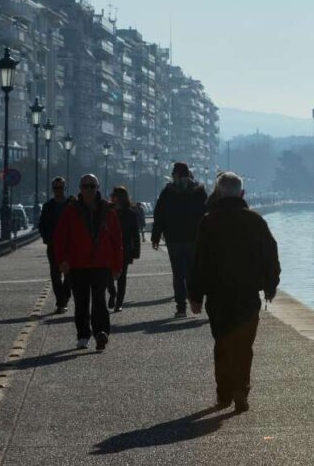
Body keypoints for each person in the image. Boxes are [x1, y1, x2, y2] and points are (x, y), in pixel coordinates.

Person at [187, 172, 280, 413]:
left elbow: (199, 261)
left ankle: (224, 392)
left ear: (218, 193)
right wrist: (271, 285)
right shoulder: (255, 221)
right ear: (242, 194)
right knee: (243, 345)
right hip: (247, 293)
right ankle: (241, 389)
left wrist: (195, 295)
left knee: (223, 342)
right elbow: (270, 255)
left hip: (218, 294)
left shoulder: (208, 222)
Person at [52, 174, 123, 351]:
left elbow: (117, 241)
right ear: (80, 189)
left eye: (92, 186)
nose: (89, 190)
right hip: (78, 264)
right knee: (81, 302)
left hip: (101, 263)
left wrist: (117, 266)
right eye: (85, 186)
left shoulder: (108, 210)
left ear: (98, 187)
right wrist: (62, 260)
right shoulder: (71, 210)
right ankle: (83, 335)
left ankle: (101, 333)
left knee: (99, 300)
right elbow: (60, 238)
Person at [151, 162, 208, 317]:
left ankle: (181, 307)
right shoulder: (199, 191)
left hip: (174, 239)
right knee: (192, 272)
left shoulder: (167, 192)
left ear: (175, 174)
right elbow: (206, 214)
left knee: (178, 274)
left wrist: (156, 237)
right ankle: (195, 301)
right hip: (193, 239)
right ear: (189, 174)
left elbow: (159, 215)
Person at [37, 177, 74, 313]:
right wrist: (48, 239)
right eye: (56, 188)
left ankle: (65, 296)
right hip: (53, 245)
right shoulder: (48, 206)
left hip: (70, 246)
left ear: (65, 188)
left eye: (61, 188)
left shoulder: (71, 204)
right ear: (53, 189)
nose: (58, 191)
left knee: (70, 275)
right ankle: (61, 302)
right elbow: (41, 225)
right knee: (55, 275)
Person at [107, 185, 142, 312]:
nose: (113, 197)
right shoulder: (108, 211)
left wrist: (136, 251)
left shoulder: (130, 213)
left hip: (124, 248)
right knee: (108, 275)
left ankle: (119, 303)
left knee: (122, 277)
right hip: (109, 248)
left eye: (115, 195)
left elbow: (135, 234)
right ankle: (113, 293)